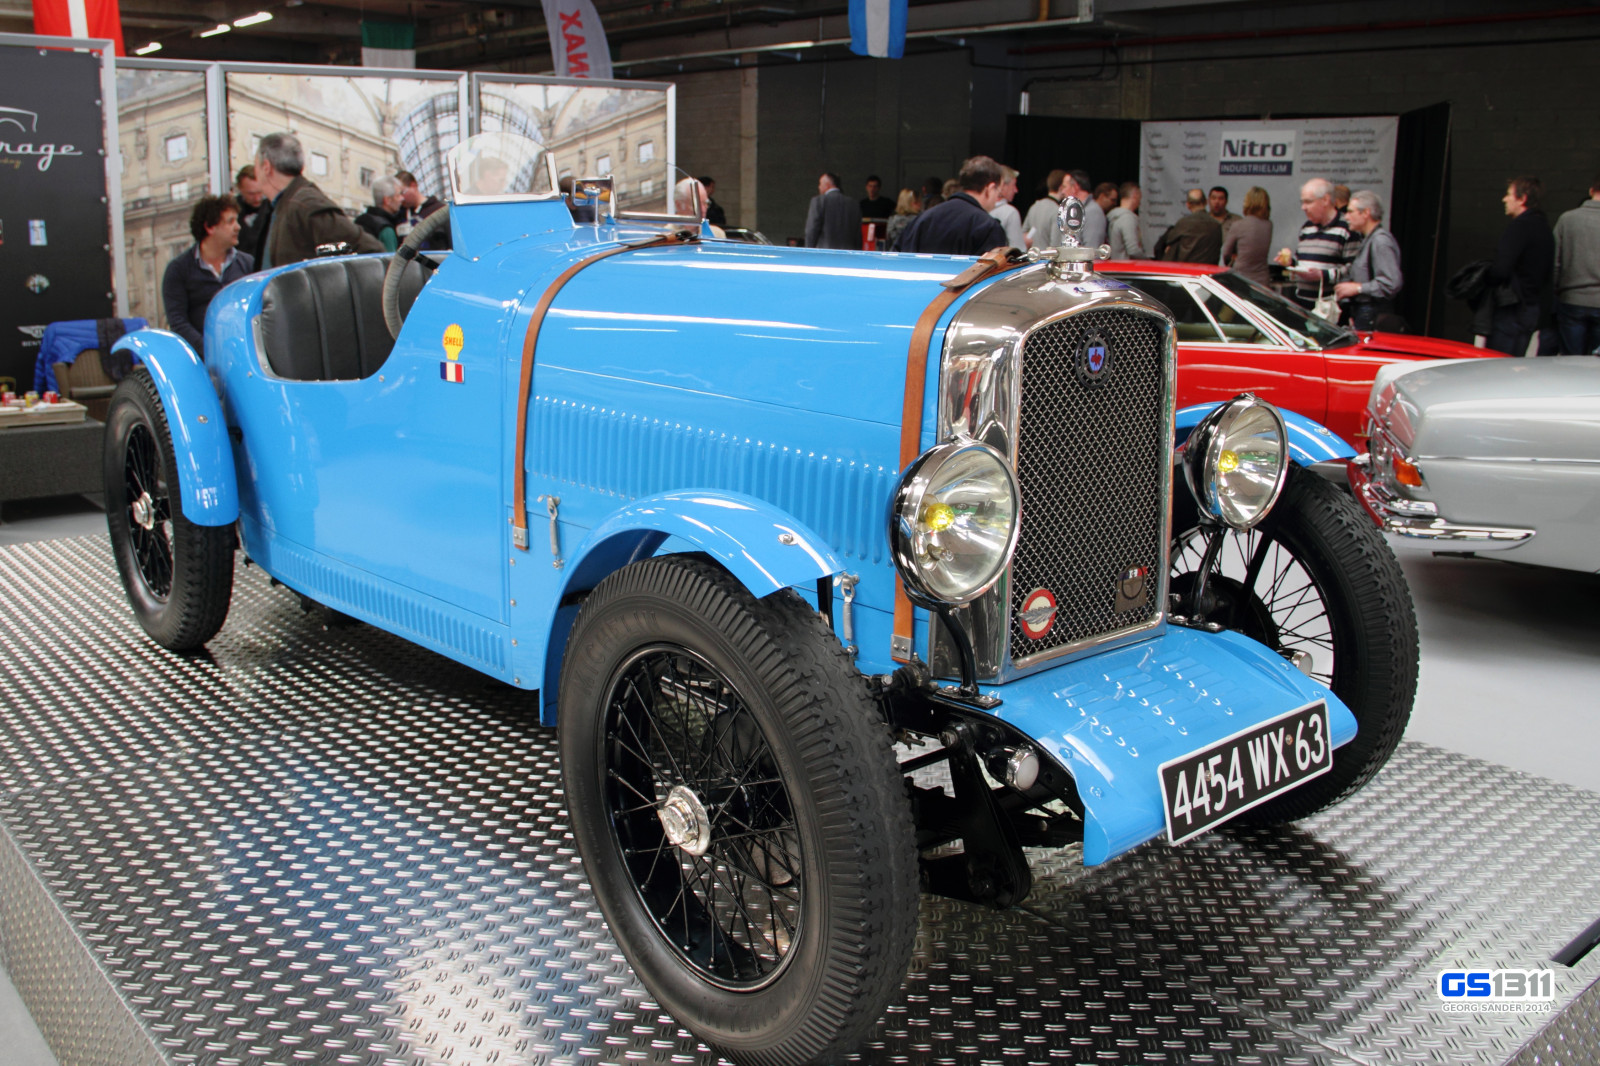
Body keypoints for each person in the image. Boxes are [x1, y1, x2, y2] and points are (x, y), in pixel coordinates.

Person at [252, 133, 382, 268]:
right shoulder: (285, 204)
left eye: (255, 165)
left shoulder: (305, 204)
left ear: (266, 167)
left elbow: (369, 250)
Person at [161, 194, 253, 357]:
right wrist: (211, 350)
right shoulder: (178, 270)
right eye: (230, 221)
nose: (238, 227)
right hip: (200, 359)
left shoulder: (247, 264)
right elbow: (178, 322)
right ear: (210, 227)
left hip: (244, 354)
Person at [1486, 175, 1555, 356]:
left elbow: (1501, 270)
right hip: (1531, 308)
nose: (1504, 199)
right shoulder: (1544, 227)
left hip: (1512, 308)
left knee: (1497, 366)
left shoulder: (1519, 227)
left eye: (1509, 194)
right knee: (1514, 363)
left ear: (1522, 198)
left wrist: (1486, 277)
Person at [897, 155, 1008, 256]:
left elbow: (898, 258)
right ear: (990, 188)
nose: (997, 198)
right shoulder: (988, 227)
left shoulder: (922, 219)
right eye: (999, 191)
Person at [1333, 190, 1403, 331]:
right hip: (1363, 313)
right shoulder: (1367, 239)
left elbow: (1391, 283)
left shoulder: (1380, 241)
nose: (1346, 217)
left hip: (1373, 315)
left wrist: (1358, 288)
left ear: (1366, 213)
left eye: (1350, 212)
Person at [1286, 178, 1360, 308]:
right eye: (1302, 202)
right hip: (1301, 305)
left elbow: (1353, 270)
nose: (1303, 207)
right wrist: (1290, 263)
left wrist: (1323, 275)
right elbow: (1302, 262)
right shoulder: (1306, 228)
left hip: (1329, 308)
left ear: (1325, 200)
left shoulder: (1347, 229)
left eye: (1308, 202)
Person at [1551, 174, 1600, 355]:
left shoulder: (1567, 219)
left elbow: (1555, 261)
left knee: (1571, 360)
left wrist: (1557, 290)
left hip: (1571, 299)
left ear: (1591, 191)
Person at [1154, 188, 1223, 264]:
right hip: (1208, 272)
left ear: (1188, 205)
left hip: (1186, 271)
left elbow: (1167, 241)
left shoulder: (1183, 223)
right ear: (1206, 202)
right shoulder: (1217, 225)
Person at [1221, 186, 1272, 284]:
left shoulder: (1238, 225)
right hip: (1263, 277)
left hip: (1241, 276)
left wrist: (1231, 260)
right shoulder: (1269, 225)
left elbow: (1225, 252)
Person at [804, 172, 863, 249]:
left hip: (825, 254)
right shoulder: (853, 204)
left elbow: (812, 230)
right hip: (848, 256)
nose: (819, 187)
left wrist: (808, 250)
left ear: (827, 184)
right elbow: (858, 235)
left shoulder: (819, 201)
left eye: (820, 184)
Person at [396, 169, 450, 250]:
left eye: (402, 193)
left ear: (413, 186)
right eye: (397, 195)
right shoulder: (399, 215)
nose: (401, 198)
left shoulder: (439, 211)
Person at [355, 177, 404, 253]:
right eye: (398, 195)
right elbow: (391, 262)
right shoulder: (386, 230)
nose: (402, 198)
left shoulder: (359, 221)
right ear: (387, 200)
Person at [234, 165, 271, 264]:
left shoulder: (272, 208)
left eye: (260, 192)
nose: (257, 198)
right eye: (251, 194)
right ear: (240, 188)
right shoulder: (231, 211)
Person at [1022, 169, 1067, 250]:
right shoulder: (1057, 211)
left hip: (1033, 259)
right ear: (1061, 188)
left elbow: (1023, 235)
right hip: (1047, 260)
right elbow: (1055, 246)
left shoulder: (1034, 206)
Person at [1062, 170, 1106, 249]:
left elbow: (1092, 251)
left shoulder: (1093, 212)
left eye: (1065, 187)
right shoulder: (1075, 211)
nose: (1063, 191)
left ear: (1075, 187)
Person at [989, 166, 1026, 249]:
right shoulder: (1010, 213)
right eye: (1013, 185)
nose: (1016, 190)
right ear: (1002, 185)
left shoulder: (975, 210)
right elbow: (1018, 251)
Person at [1106, 182, 1145, 259]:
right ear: (1135, 195)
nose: (1140, 200)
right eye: (1140, 196)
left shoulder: (1112, 217)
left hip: (1114, 266)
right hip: (1126, 268)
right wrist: (1148, 262)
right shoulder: (1127, 219)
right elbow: (1133, 250)